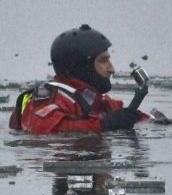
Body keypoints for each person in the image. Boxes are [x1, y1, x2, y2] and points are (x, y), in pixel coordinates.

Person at [10, 24, 151, 134]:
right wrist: (104, 125)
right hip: (64, 165)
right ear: (81, 66)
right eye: (103, 61)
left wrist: (153, 121)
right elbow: (41, 127)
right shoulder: (50, 99)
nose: (112, 69)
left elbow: (121, 115)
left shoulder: (96, 100)